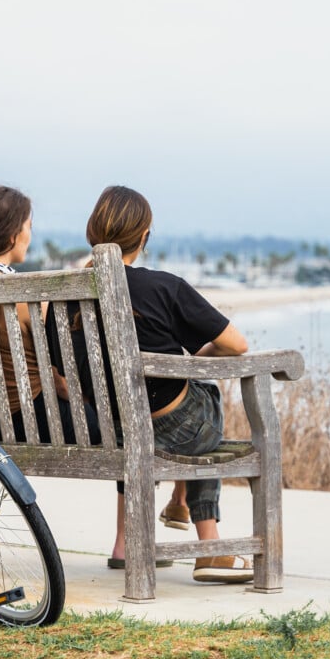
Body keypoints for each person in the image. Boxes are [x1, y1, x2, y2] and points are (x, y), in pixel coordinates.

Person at [50, 185, 253, 583]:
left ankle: (127, 543)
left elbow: (62, 378)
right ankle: (208, 546)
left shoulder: (63, 295)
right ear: (143, 237)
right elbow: (237, 344)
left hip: (114, 429)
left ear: (93, 232)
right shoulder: (163, 287)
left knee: (137, 420)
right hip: (176, 428)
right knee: (204, 401)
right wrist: (191, 364)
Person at [0, 184, 81, 443]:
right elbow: (62, 385)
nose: (29, 235)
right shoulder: (27, 299)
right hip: (35, 426)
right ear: (12, 236)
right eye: (28, 227)